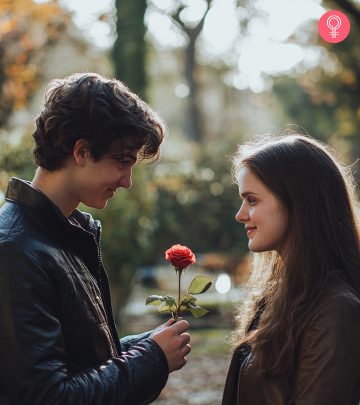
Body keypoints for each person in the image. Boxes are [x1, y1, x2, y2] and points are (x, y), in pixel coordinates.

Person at [0, 72, 191, 405]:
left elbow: (82, 361)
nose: (128, 181)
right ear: (82, 152)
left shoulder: (68, 234)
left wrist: (147, 345)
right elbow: (49, 397)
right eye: (121, 162)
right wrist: (152, 358)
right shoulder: (15, 250)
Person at [222, 134, 360, 405]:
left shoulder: (335, 311)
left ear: (297, 202)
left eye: (252, 200)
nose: (240, 214)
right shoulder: (278, 296)